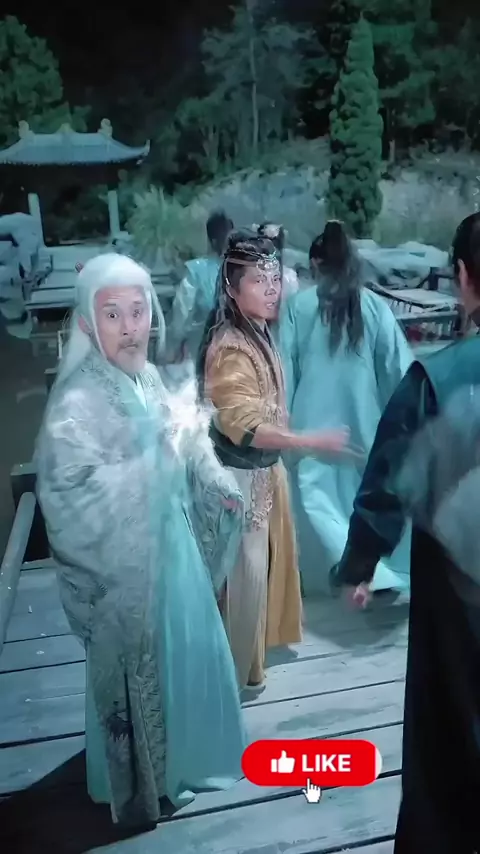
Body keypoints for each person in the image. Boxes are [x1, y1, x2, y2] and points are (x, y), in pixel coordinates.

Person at [35, 253, 246, 831]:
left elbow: (190, 441)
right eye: (113, 315)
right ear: (87, 322)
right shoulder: (77, 403)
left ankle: (191, 762)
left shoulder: (150, 378)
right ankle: (145, 780)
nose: (131, 328)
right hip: (125, 572)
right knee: (145, 670)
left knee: (186, 654)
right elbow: (67, 493)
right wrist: (150, 466)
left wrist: (217, 482)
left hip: (173, 552)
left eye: (138, 311)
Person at [331, 212, 480, 853]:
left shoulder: (437, 379)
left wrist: (359, 563)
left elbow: (388, 480)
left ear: (464, 277)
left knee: (446, 724)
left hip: (458, 590)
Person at [198, 230, 351, 690]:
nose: (271, 290)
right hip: (238, 480)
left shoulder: (259, 330)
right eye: (258, 280)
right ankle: (228, 684)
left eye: (274, 279)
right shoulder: (230, 346)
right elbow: (240, 421)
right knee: (243, 582)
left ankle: (246, 669)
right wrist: (305, 440)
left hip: (264, 473)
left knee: (263, 573)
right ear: (231, 288)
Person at [280, 220, 413, 595]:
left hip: (311, 433)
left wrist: (283, 433)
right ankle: (372, 574)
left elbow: (283, 374)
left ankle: (350, 576)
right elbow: (400, 374)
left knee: (318, 508)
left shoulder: (297, 308)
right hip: (364, 431)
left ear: (316, 265)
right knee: (357, 507)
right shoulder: (375, 308)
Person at [167, 209, 234, 367]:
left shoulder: (196, 271)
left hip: (204, 349)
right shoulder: (240, 269)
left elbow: (182, 312)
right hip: (232, 350)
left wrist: (175, 342)